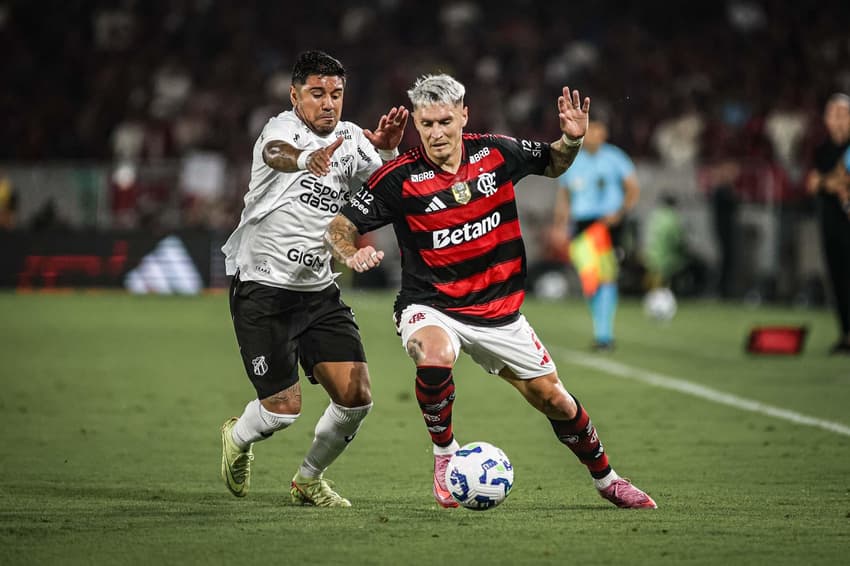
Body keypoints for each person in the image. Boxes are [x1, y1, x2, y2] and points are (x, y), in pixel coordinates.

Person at [325, 74, 656, 509]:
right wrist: (351, 253)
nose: (436, 133)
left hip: (500, 312)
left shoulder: (495, 152)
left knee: (555, 400)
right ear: (417, 125)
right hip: (431, 305)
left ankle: (607, 479)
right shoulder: (399, 178)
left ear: (464, 115)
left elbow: (554, 162)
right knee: (434, 354)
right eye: (427, 124)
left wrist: (572, 140)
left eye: (445, 121)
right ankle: (445, 455)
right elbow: (339, 226)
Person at [219, 50, 409, 507]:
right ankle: (237, 437)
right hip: (263, 288)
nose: (328, 103)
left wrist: (387, 151)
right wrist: (307, 159)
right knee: (282, 411)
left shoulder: (351, 139)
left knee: (356, 396)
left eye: (336, 94)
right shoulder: (282, 131)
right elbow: (277, 154)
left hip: (318, 290)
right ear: (294, 95)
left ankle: (308, 479)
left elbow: (392, 189)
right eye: (317, 93)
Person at [550, 109, 640, 351]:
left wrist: (619, 213)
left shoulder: (615, 158)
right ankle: (601, 330)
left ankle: (604, 334)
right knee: (590, 280)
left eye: (597, 130)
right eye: (590, 131)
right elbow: (564, 196)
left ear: (604, 133)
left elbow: (633, 189)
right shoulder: (574, 159)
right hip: (582, 225)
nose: (593, 135)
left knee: (606, 277)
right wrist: (559, 225)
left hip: (607, 225)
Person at [805, 93, 850, 355]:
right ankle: (845, 334)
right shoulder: (822, 149)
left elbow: (834, 182)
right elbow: (813, 184)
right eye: (832, 114)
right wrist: (832, 182)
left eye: (842, 114)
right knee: (837, 279)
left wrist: (828, 182)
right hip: (830, 222)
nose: (837, 120)